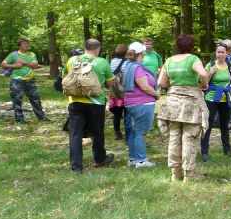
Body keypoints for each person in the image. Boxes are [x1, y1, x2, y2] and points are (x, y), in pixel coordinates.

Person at [157, 34, 210, 181]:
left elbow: (161, 82)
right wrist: (204, 83)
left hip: (172, 103)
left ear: (177, 47)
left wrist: (173, 86)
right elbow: (203, 73)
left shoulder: (169, 61)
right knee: (189, 138)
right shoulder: (192, 59)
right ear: (192, 47)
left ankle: (175, 174)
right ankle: (189, 175)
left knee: (174, 138)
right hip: (190, 103)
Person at [63, 39, 115, 173]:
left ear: (84, 47)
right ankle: (100, 159)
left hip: (75, 101)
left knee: (75, 134)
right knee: (97, 132)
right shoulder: (102, 62)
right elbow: (110, 83)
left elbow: (64, 76)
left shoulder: (72, 60)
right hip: (95, 102)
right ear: (98, 49)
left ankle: (76, 167)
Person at [122, 42, 161, 168]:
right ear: (142, 53)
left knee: (135, 131)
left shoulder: (128, 65)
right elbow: (144, 86)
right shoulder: (137, 68)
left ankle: (133, 159)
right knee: (141, 132)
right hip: (142, 103)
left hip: (131, 102)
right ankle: (141, 160)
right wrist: (156, 94)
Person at [202, 43, 231, 160]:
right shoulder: (211, 65)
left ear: (227, 53)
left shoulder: (229, 65)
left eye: (223, 52)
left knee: (224, 125)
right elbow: (204, 82)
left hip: (225, 98)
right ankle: (204, 151)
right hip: (211, 98)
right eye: (218, 52)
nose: (220, 54)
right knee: (208, 124)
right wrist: (211, 72)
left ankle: (227, 150)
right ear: (215, 53)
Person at [1, 38, 49, 124]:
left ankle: (42, 117)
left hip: (29, 81)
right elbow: (3, 64)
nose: (26, 45)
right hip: (16, 80)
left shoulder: (31, 54)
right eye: (23, 43)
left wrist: (24, 62)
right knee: (17, 100)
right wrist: (15, 65)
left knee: (36, 99)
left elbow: (35, 65)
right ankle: (20, 119)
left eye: (27, 43)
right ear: (19, 46)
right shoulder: (13, 55)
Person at [109, 44, 128, 141]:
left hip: (115, 90)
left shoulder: (112, 62)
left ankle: (117, 132)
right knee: (127, 112)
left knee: (117, 113)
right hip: (125, 89)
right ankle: (127, 132)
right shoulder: (127, 62)